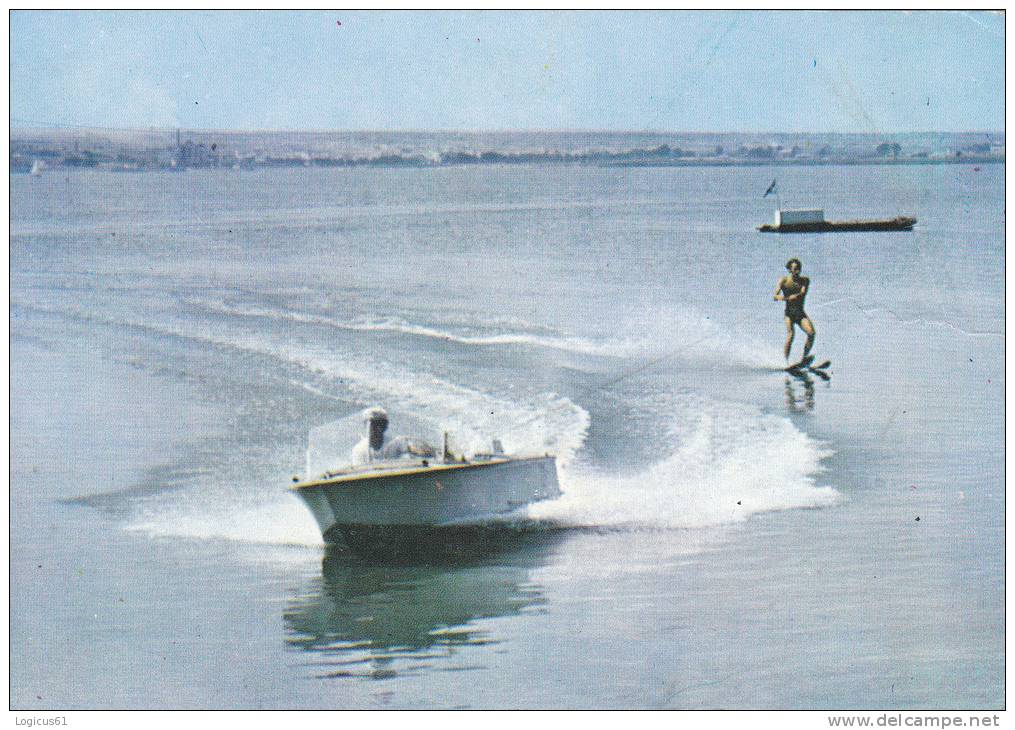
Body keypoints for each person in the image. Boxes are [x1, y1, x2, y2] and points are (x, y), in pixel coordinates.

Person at [774, 258, 816, 363]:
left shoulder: (805, 280)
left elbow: (802, 292)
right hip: (789, 314)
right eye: (795, 269)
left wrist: (795, 296)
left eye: (799, 269)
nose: (797, 271)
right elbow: (775, 296)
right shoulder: (784, 281)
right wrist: (784, 298)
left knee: (811, 333)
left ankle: (804, 359)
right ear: (789, 270)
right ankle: (785, 362)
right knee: (791, 334)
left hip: (800, 314)